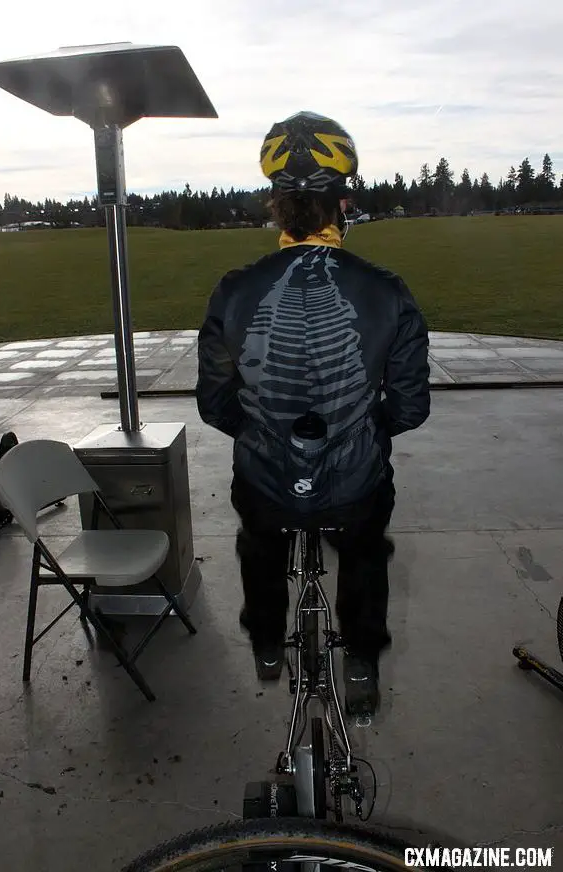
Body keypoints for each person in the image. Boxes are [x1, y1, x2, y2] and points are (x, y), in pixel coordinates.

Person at [196, 111, 430, 716]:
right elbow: (410, 406)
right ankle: (360, 657)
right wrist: (365, 429)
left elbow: (215, 402)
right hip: (353, 485)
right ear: (345, 201)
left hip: (268, 483)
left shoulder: (233, 288)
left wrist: (261, 434)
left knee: (259, 538)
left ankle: (269, 643)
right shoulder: (388, 289)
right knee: (364, 547)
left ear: (275, 203)